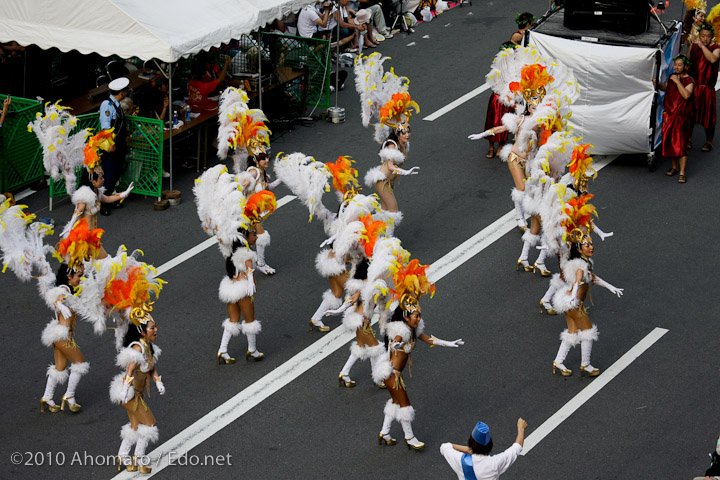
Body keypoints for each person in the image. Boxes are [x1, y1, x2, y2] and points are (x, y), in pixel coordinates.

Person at [551, 221, 623, 378]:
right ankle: (585, 364)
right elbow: (578, 280)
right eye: (587, 245)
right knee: (588, 331)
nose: (591, 247)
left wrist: (611, 287)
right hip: (574, 304)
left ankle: (558, 362)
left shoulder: (585, 263)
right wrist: (574, 298)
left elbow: (593, 278)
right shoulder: (581, 265)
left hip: (569, 302)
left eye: (591, 244)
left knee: (572, 332)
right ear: (579, 249)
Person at [109, 304, 164, 473]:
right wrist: (125, 390)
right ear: (142, 331)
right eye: (152, 328)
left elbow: (151, 367)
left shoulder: (149, 347)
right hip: (129, 394)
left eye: (155, 327)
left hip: (137, 394)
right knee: (149, 423)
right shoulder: (138, 348)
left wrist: (158, 381)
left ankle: (122, 457)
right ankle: (139, 459)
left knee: (135, 425)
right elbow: (131, 370)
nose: (155, 330)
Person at [39, 262, 90, 413]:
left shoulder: (69, 290)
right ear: (69, 276)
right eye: (79, 276)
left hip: (59, 335)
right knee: (80, 363)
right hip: (62, 336)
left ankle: (47, 397)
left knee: (60, 368)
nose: (80, 279)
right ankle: (69, 396)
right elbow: (55, 296)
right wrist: (59, 304)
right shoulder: (65, 289)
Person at [440, 419, 527, 480]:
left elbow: (444, 446)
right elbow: (517, 447)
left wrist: (467, 449)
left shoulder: (460, 459)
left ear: (470, 442)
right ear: (490, 445)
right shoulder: (494, 463)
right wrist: (521, 429)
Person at [655, 55, 695, 183]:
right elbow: (666, 88)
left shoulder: (690, 81)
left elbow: (686, 95)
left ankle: (682, 172)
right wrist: (658, 84)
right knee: (670, 144)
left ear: (686, 67)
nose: (676, 67)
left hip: (681, 118)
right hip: (669, 116)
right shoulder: (672, 76)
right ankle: (674, 167)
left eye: (679, 65)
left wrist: (678, 82)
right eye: (675, 64)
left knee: (681, 145)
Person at [99, 77, 131, 216]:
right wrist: (110, 144)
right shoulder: (107, 105)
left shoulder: (116, 105)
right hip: (111, 144)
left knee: (116, 171)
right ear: (121, 93)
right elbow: (106, 127)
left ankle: (109, 198)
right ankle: (103, 203)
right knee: (109, 172)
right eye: (125, 91)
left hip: (119, 143)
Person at [482, 43, 516, 159]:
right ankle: (495, 147)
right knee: (497, 121)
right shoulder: (500, 68)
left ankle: (497, 146)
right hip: (500, 99)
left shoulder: (508, 68)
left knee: (500, 122)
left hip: (503, 98)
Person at [689, 24, 719, 152]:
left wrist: (702, 47)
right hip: (695, 86)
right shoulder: (695, 46)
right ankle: (688, 139)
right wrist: (691, 44)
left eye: (707, 36)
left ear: (712, 37)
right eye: (702, 36)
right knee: (690, 114)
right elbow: (688, 60)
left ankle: (709, 141)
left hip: (707, 88)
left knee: (709, 116)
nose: (705, 39)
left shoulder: (716, 48)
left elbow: (712, 59)